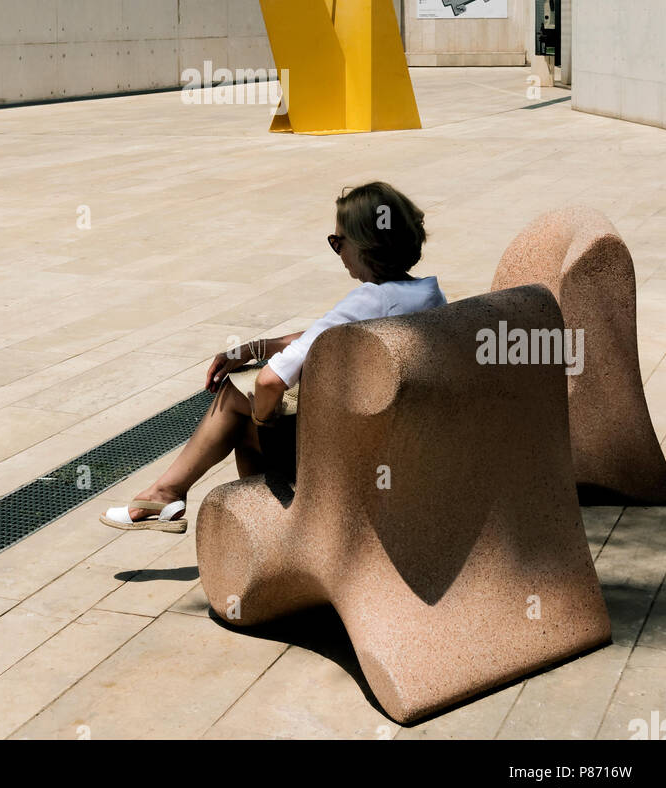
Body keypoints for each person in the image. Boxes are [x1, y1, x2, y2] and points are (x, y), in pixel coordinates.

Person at [100, 181, 446, 532]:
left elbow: (270, 380)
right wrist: (256, 348)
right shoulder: (429, 296)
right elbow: (323, 338)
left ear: (365, 245)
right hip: (403, 447)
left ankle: (179, 498)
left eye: (337, 242)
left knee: (239, 401)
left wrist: (263, 418)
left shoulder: (367, 301)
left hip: (352, 457)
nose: (337, 251)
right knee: (247, 411)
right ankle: (200, 504)